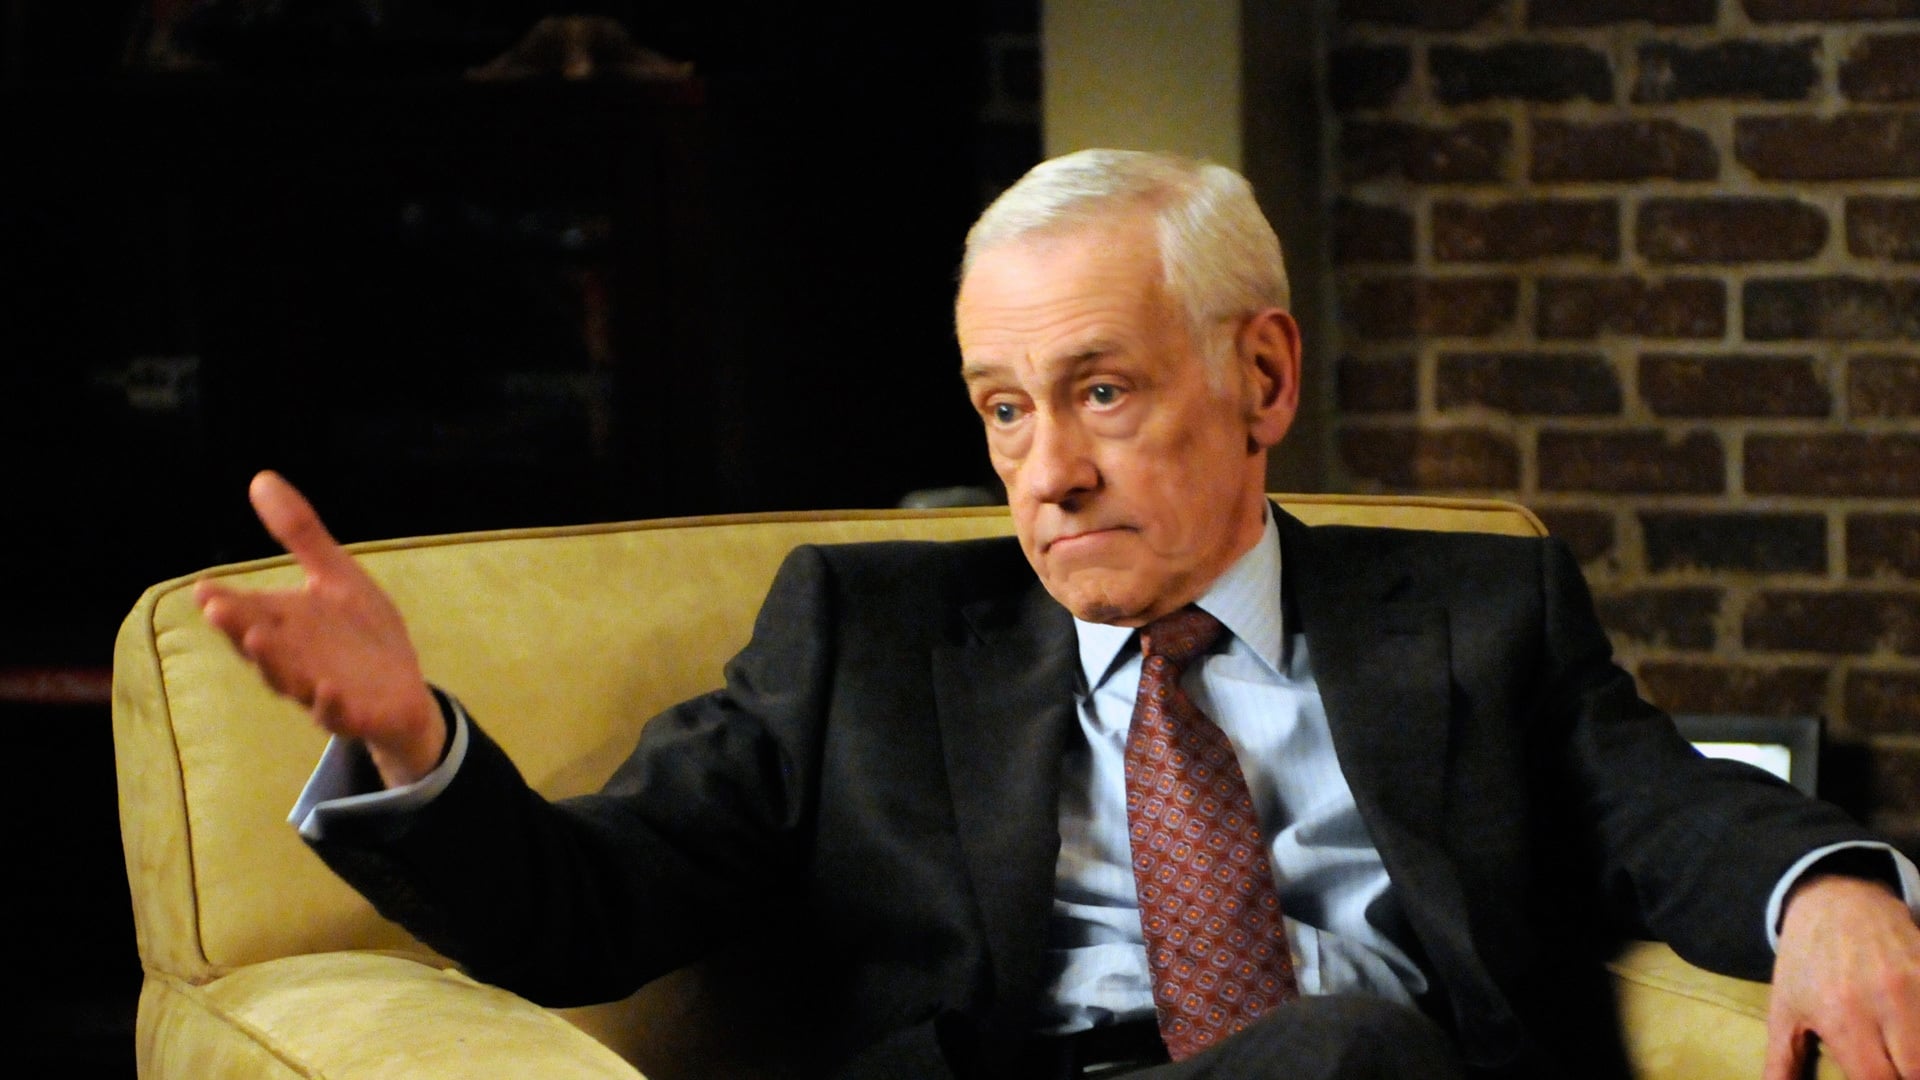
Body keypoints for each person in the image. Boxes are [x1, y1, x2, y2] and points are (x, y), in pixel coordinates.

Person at [196, 149, 1920, 1080]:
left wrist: (1837, 891)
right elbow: (595, 906)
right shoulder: (859, 641)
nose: (1048, 474)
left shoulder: (1472, 613)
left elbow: (1667, 806)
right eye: (1004, 411)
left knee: (1345, 1053)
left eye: (1101, 393)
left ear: (1263, 378)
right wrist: (412, 744)